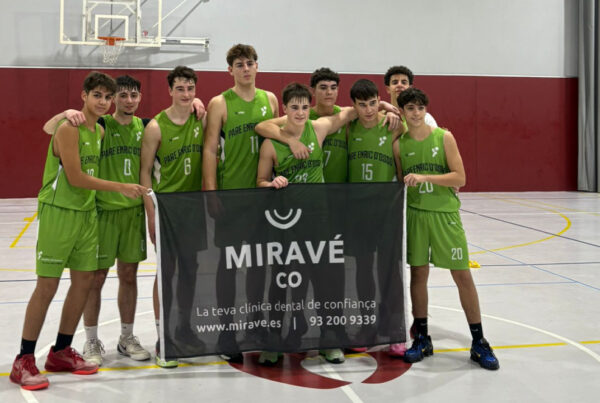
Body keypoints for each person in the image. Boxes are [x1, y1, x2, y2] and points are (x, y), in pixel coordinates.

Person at [41, 77, 205, 366]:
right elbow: (49, 128)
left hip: (132, 212)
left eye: (134, 95)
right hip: (103, 211)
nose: (129, 100)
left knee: (129, 275)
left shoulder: (145, 127)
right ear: (113, 98)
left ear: (140, 97)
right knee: (96, 278)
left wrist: (196, 102)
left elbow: (175, 119)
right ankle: (92, 339)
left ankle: (126, 337)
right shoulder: (101, 125)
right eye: (123, 95)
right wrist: (65, 113)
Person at [10, 72, 147, 391]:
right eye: (97, 95)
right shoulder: (68, 128)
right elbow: (75, 178)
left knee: (84, 283)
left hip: (87, 214)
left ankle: (61, 350)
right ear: (84, 95)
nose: (103, 102)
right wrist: (121, 187)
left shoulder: (98, 130)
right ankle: (24, 359)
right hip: (59, 211)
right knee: (47, 286)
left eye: (107, 97)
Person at [255, 82, 361, 365]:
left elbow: (348, 113)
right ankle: (274, 340)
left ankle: (330, 339)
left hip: (318, 220)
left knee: (325, 281)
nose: (300, 112)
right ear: (285, 109)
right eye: (294, 107)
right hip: (285, 223)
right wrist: (272, 183)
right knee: (281, 281)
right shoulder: (271, 144)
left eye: (304, 107)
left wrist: (386, 106)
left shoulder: (319, 128)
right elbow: (260, 181)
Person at [395, 87, 499, 370]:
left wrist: (426, 177)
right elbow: (399, 181)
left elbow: (460, 177)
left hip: (445, 215)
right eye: (410, 109)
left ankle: (479, 341)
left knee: (462, 274)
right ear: (402, 112)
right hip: (416, 214)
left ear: (426, 110)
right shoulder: (399, 145)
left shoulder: (444, 137)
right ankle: (422, 338)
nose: (416, 113)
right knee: (418, 274)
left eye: (420, 108)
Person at [140, 66, 206, 368]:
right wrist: (151, 213)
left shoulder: (200, 118)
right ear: (170, 90)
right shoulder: (155, 127)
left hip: (193, 207)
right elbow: (144, 173)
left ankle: (184, 329)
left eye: (190, 88)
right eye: (180, 88)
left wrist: (199, 104)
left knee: (190, 271)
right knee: (165, 273)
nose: (186, 93)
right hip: (166, 208)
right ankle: (162, 336)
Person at [346, 79, 406, 357]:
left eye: (373, 103)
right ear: (354, 105)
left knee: (389, 270)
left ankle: (394, 328)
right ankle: (366, 325)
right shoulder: (349, 128)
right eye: (362, 105)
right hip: (358, 211)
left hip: (386, 210)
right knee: (362, 269)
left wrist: (389, 109)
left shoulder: (393, 125)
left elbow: (403, 167)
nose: (369, 110)